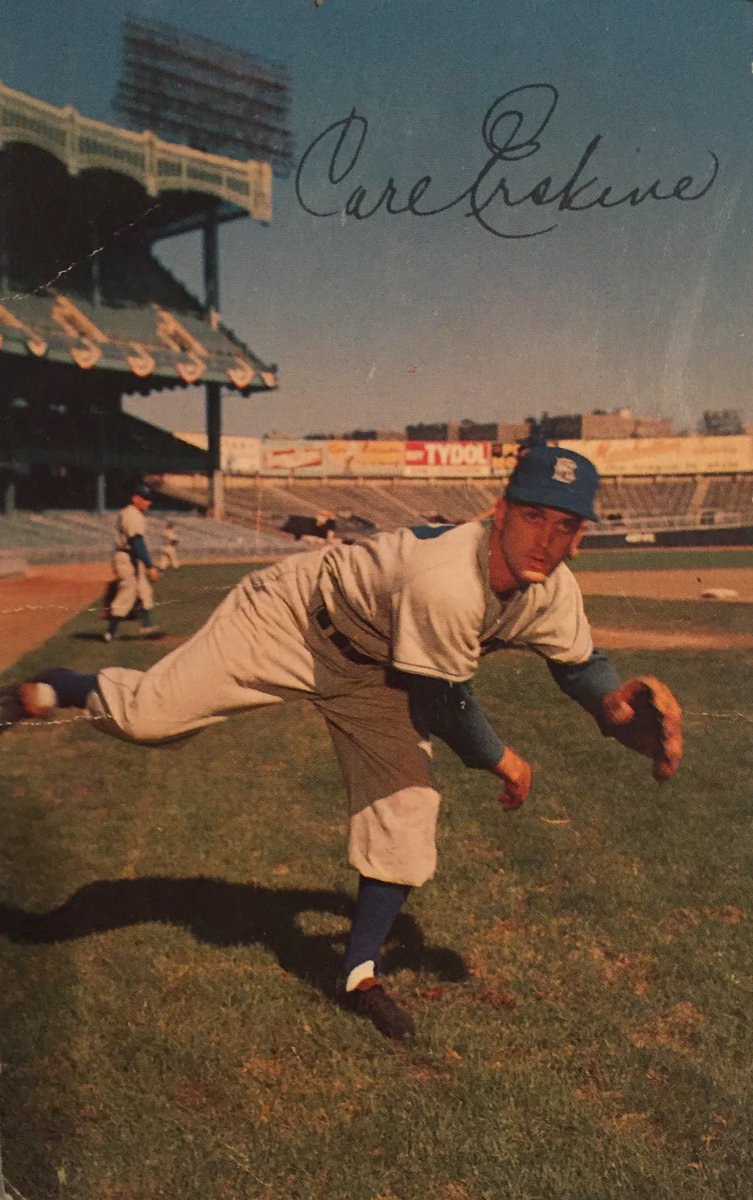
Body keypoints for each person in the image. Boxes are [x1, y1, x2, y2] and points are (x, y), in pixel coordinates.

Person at [1, 446, 682, 1040]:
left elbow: (578, 664)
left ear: (579, 539)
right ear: (499, 512)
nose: (545, 538)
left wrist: (610, 703)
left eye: (563, 525)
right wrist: (504, 760)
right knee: (151, 720)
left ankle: (357, 974)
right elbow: (442, 701)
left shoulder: (550, 591)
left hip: (378, 669)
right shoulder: (446, 576)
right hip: (293, 620)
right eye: (534, 515)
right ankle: (59, 686)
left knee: (407, 806)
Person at [102, 483, 164, 643]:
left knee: (144, 591)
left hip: (132, 557)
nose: (148, 503)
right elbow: (136, 541)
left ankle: (147, 626)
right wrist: (150, 566)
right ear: (135, 498)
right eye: (145, 499)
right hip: (125, 557)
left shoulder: (136, 513)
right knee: (128, 592)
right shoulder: (132, 514)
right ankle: (110, 632)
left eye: (149, 499)